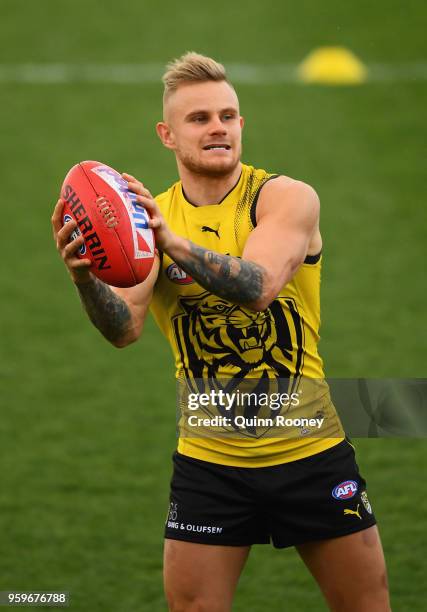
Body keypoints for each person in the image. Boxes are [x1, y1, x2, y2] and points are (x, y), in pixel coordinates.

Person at [52, 52, 390, 612]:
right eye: (200, 118)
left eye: (228, 116)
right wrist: (84, 278)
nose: (218, 128)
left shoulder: (284, 198)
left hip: (309, 451)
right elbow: (123, 329)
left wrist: (173, 244)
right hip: (209, 463)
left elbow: (258, 288)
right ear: (167, 134)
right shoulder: (150, 220)